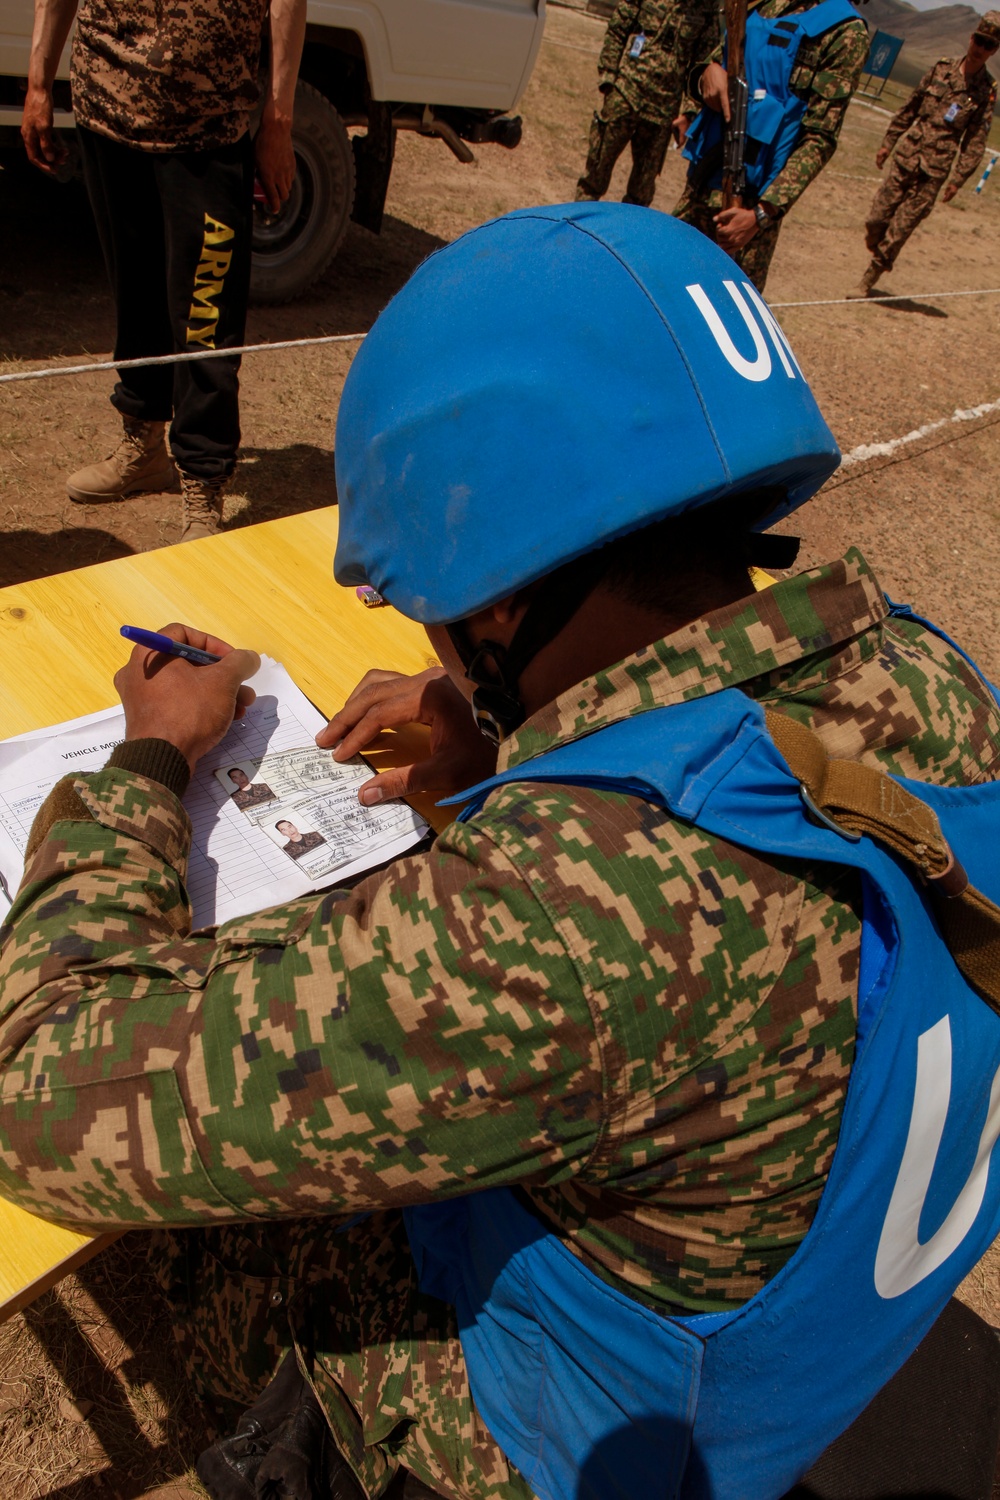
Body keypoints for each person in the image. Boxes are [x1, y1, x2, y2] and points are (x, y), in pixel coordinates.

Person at [1, 206, 999, 1500]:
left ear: (503, 600)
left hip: (570, 1441)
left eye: (432, 605)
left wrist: (143, 762)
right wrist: (506, 732)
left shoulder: (564, 919)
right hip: (790, 1333)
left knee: (214, 1213)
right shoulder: (931, 676)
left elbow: (46, 1093)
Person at [21, 0, 307, 541]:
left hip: (209, 126)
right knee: (136, 295)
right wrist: (39, 85)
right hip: (105, 107)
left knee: (204, 315)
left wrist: (278, 119)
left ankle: (203, 481)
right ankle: (143, 443)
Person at [675, 0, 869, 290]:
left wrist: (760, 215)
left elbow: (819, 139)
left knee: (726, 311)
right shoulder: (764, 3)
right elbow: (720, 61)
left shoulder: (846, 33)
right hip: (701, 183)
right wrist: (703, 79)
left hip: (746, 211)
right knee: (662, 286)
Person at [849, 15, 999, 298]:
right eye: (978, 40)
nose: (980, 48)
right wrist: (889, 141)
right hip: (908, 155)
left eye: (988, 45)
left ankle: (868, 278)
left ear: (994, 50)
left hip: (935, 170)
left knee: (901, 227)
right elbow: (910, 106)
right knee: (876, 219)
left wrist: (958, 179)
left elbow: (976, 139)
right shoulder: (941, 69)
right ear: (971, 38)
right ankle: (879, 250)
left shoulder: (985, 91)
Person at [574, 0, 718, 208]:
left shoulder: (706, 7)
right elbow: (618, 28)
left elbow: (702, 65)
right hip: (625, 93)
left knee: (641, 193)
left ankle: (627, 237)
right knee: (594, 176)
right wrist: (608, 77)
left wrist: (689, 112)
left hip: (663, 110)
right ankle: (575, 229)